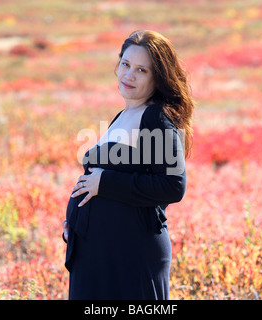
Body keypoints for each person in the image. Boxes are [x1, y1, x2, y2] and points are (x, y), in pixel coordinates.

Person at [62, 30, 194, 300]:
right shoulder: (123, 115)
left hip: (130, 256)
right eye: (125, 64)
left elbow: (172, 186)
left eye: (141, 70)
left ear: (158, 77)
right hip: (98, 253)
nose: (129, 75)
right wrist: (74, 222)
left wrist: (105, 183)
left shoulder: (156, 118)